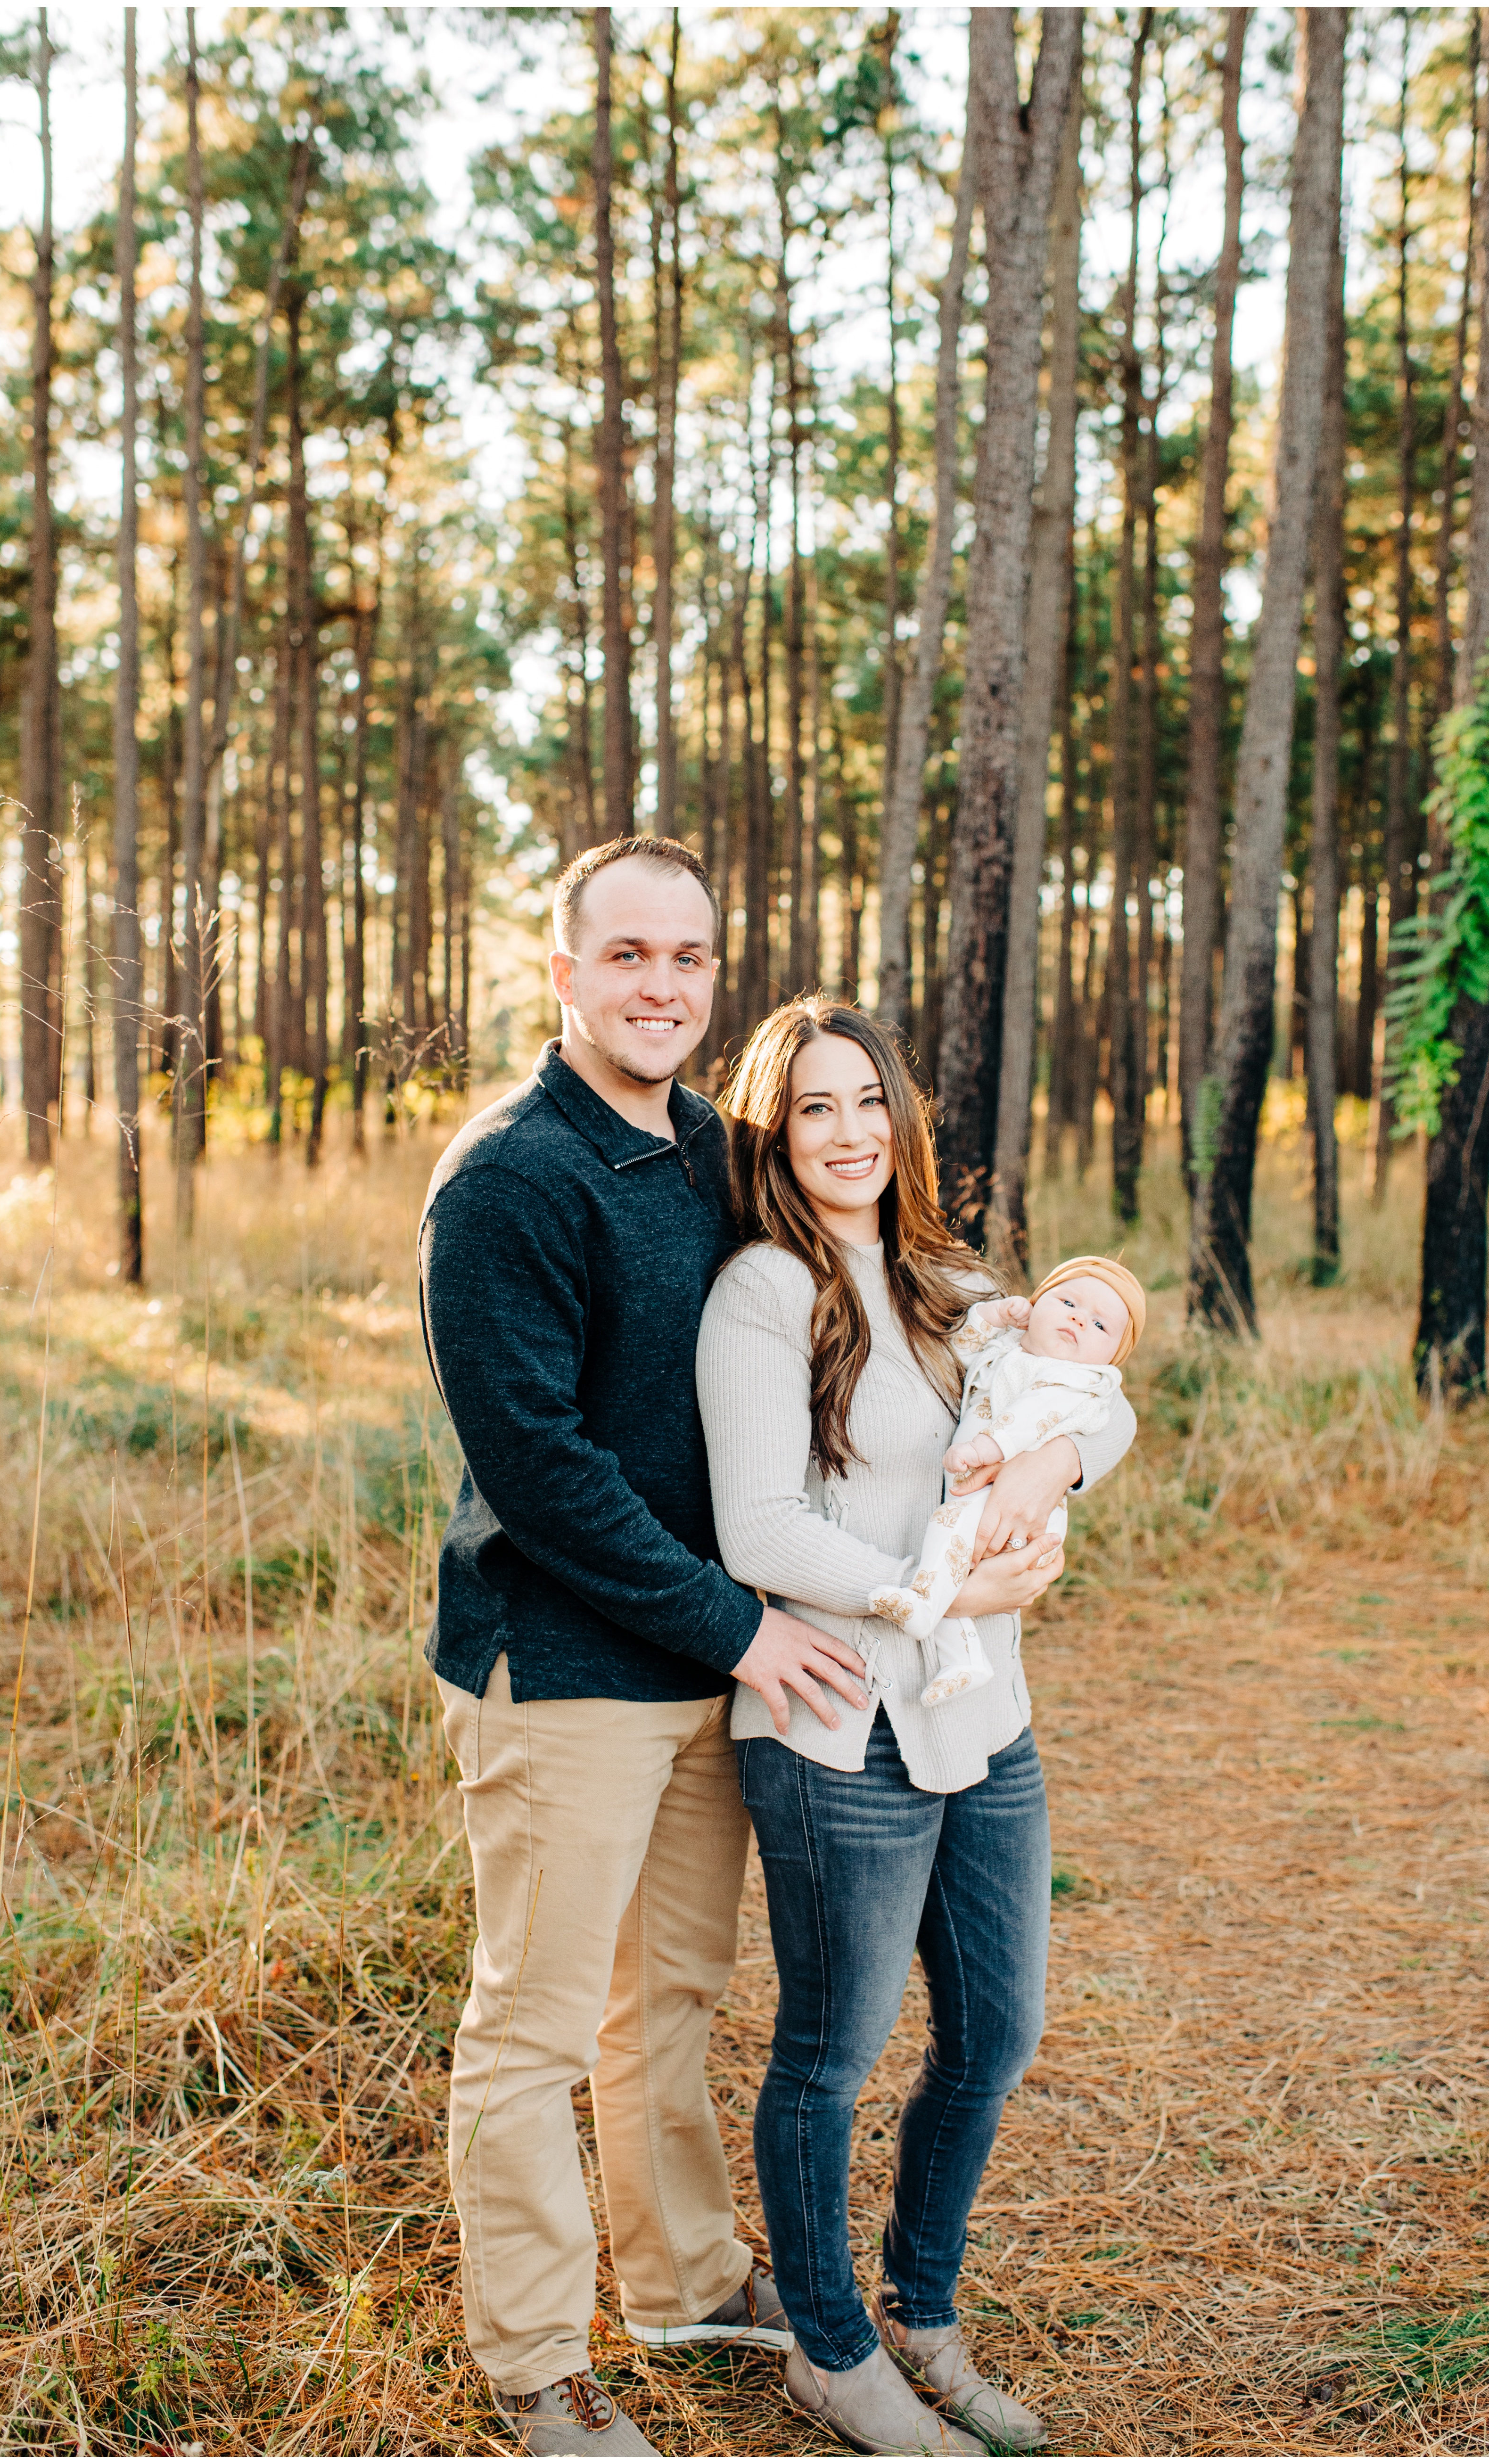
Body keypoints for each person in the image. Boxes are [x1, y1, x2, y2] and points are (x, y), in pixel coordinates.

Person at [418, 841, 870, 2458]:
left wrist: (1046, 1393)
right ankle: (537, 2360)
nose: (662, 983)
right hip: (569, 1664)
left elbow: (868, 1276)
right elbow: (541, 1470)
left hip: (711, 1659)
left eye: (688, 954)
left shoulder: (717, 1149)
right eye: (627, 955)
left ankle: (684, 2275)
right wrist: (743, 1625)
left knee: (667, 1993)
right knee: (533, 2025)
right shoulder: (508, 1179)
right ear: (563, 971)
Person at [696, 999, 1137, 2457]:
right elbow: (758, 1524)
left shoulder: (951, 1279)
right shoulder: (761, 1289)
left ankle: (921, 2312)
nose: (847, 1133)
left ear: (902, 1117)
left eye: (868, 1100)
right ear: (775, 1128)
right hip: (835, 1724)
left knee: (994, 2032)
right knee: (827, 2053)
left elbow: (1097, 1379)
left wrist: (1058, 1463)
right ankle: (831, 2348)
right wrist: (915, 1589)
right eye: (813, 1107)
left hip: (981, 1718)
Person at [870, 1257, 1147, 1707]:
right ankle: (963, 1659)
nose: (1079, 1318)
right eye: (1069, 1301)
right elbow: (957, 1353)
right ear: (1035, 1303)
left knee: (946, 1533)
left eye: (1099, 1325)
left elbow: (1030, 1421)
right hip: (980, 1497)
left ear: (1113, 1358)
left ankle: (922, 1607)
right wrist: (991, 1316)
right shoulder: (1010, 1350)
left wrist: (983, 1451)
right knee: (951, 1566)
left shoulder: (1076, 1382)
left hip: (1017, 1513)